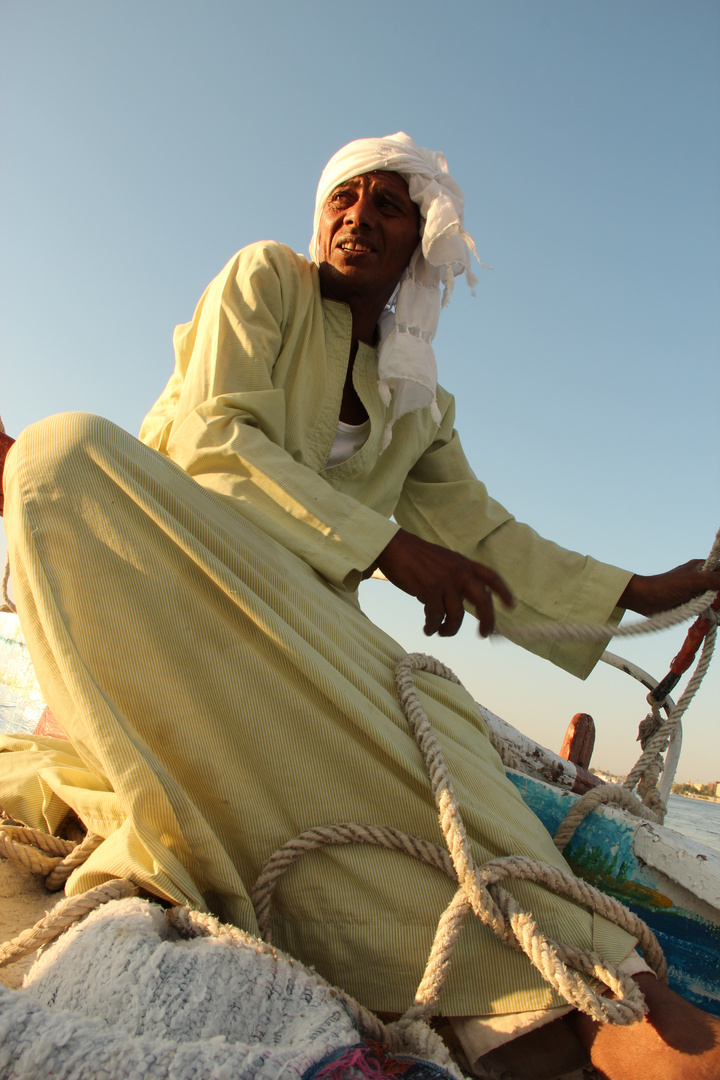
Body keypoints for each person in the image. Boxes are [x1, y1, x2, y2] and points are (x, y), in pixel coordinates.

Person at [1, 133, 718, 1079]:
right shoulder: (265, 281)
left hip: (302, 629)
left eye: (389, 206)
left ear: (421, 243)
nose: (358, 218)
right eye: (346, 199)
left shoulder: (421, 403)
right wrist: (384, 546)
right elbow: (215, 441)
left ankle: (584, 987)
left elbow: (489, 542)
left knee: (439, 720)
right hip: (175, 595)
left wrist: (650, 591)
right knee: (62, 452)